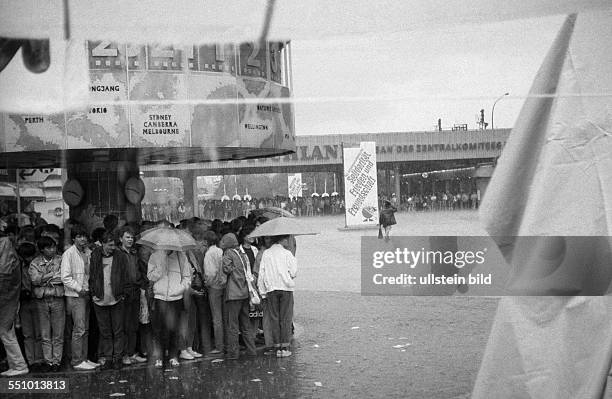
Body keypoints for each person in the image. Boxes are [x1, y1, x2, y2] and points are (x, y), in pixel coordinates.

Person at [61, 225, 99, 371]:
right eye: (79, 236)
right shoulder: (68, 254)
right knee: (79, 329)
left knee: (86, 329)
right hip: (76, 296)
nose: (82, 239)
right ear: (73, 238)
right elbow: (65, 277)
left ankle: (84, 358)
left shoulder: (88, 252)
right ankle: (77, 361)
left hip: (87, 294)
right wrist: (79, 288)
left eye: (84, 236)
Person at [147, 249, 191, 368]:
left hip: (176, 297)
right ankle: (159, 357)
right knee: (158, 329)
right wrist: (160, 268)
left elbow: (187, 277)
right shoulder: (155, 255)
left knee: (174, 328)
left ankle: (173, 356)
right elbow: (150, 276)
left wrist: (180, 288)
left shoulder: (181, 256)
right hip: (160, 297)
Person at [257, 235, 297, 357]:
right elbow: (294, 272)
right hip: (286, 289)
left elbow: (261, 274)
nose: (288, 242)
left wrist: (262, 292)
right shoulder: (287, 254)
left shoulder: (266, 254)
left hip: (271, 290)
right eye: (287, 239)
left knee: (274, 318)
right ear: (282, 240)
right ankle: (285, 348)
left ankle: (277, 347)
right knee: (285, 318)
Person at [89, 232, 125, 370]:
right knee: (105, 331)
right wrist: (93, 293)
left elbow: (124, 275)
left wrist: (123, 293)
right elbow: (92, 275)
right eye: (110, 245)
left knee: (118, 330)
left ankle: (118, 358)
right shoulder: (95, 255)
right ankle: (109, 358)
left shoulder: (120, 256)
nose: (113, 248)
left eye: (114, 245)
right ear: (102, 244)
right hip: (100, 298)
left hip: (116, 297)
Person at [28, 236, 64, 372]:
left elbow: (62, 277)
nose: (53, 250)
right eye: (49, 248)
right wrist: (50, 276)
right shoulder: (34, 262)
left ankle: (57, 362)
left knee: (58, 332)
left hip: (57, 298)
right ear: (42, 249)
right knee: (45, 333)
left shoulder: (61, 259)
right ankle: (48, 362)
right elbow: (34, 280)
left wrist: (43, 278)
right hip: (41, 300)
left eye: (54, 247)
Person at [220, 233, 256, 360]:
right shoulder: (241, 253)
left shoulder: (228, 253)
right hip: (244, 293)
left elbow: (227, 269)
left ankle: (233, 353)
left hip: (233, 294)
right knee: (246, 324)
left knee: (233, 326)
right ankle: (252, 350)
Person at [116, 226, 147, 366]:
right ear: (120, 238)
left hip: (135, 290)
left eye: (132, 237)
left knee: (134, 324)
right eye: (127, 237)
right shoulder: (117, 254)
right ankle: (124, 354)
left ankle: (132, 352)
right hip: (124, 292)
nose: (130, 239)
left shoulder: (135, 253)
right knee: (123, 324)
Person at [0, 236, 29, 376]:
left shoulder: (4, 248)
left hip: (5, 299)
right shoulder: (9, 252)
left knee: (6, 331)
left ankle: (19, 366)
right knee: (6, 332)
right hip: (8, 299)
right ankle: (17, 365)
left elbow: (3, 276)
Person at [203, 231, 225, 356]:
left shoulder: (209, 253)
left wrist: (207, 283)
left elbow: (210, 273)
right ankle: (226, 343)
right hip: (223, 286)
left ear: (206, 241)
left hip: (214, 288)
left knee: (217, 319)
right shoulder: (220, 251)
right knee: (224, 317)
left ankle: (219, 346)